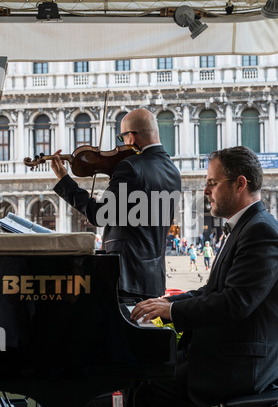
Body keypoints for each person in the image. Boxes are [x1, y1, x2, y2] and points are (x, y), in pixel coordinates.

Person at [130, 145, 278, 407]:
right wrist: (166, 302)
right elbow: (213, 290)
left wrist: (170, 311)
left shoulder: (262, 232)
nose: (206, 190)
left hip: (249, 363)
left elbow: (235, 303)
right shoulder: (247, 227)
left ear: (240, 184)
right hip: (233, 351)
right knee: (142, 378)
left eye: (212, 182)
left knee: (151, 395)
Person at [50, 108, 181, 300]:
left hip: (125, 278)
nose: (121, 144)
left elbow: (99, 215)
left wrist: (64, 180)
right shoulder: (173, 171)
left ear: (132, 137)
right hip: (153, 281)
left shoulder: (130, 167)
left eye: (122, 138)